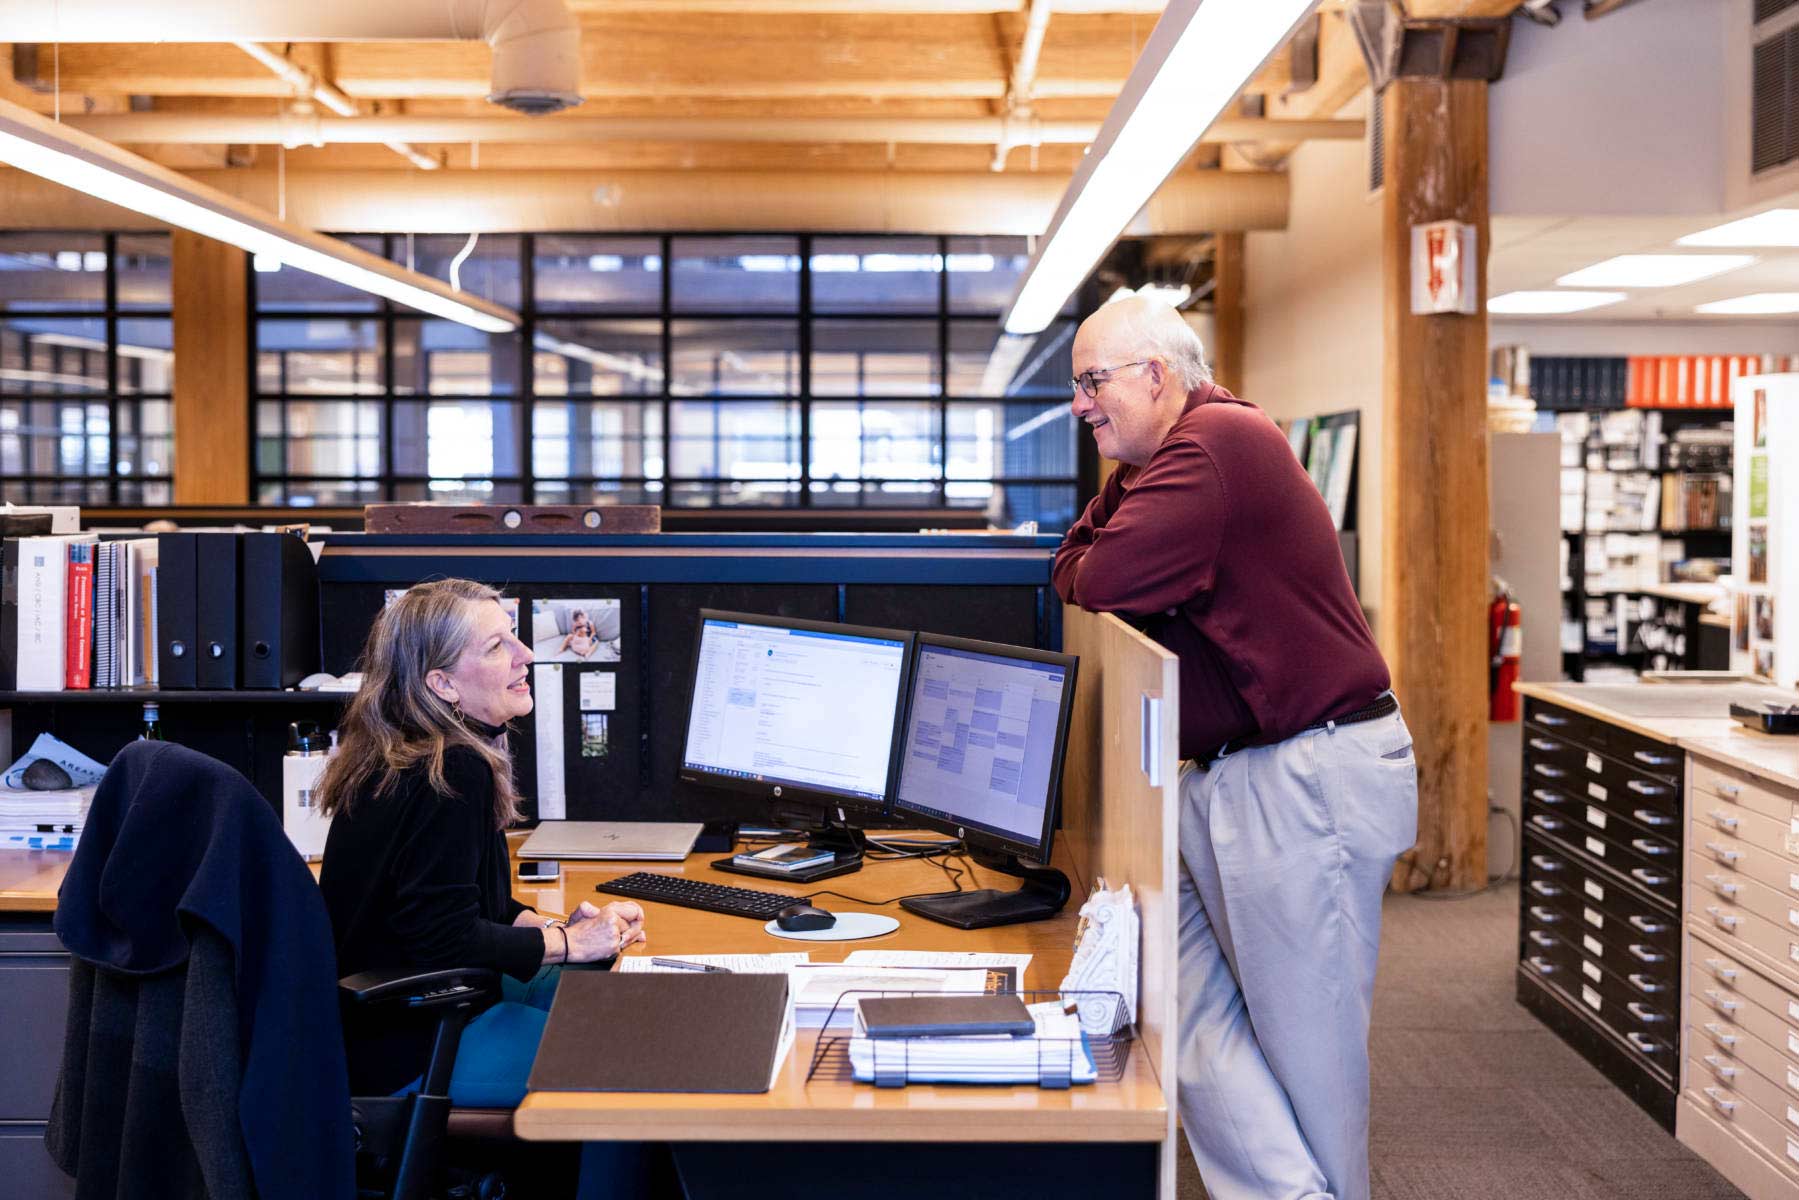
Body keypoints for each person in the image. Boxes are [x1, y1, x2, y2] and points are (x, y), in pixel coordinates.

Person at [1052, 296, 1417, 1200]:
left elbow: (1096, 575)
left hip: (1308, 774)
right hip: (1231, 775)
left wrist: (1099, 539)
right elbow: (1076, 570)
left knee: (1309, 1052)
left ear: (1154, 375)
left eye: (1092, 381)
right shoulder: (1165, 459)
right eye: (1075, 385)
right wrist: (1105, 523)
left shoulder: (1216, 446)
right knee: (1175, 994)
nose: (1079, 404)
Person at [318, 578, 647, 1106]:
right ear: (443, 684)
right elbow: (442, 937)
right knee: (632, 1061)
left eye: (514, 636)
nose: (524, 655)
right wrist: (570, 944)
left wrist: (555, 928)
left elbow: (469, 903)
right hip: (415, 1042)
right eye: (497, 648)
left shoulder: (404, 751)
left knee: (609, 990)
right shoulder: (452, 770)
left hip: (398, 1017)